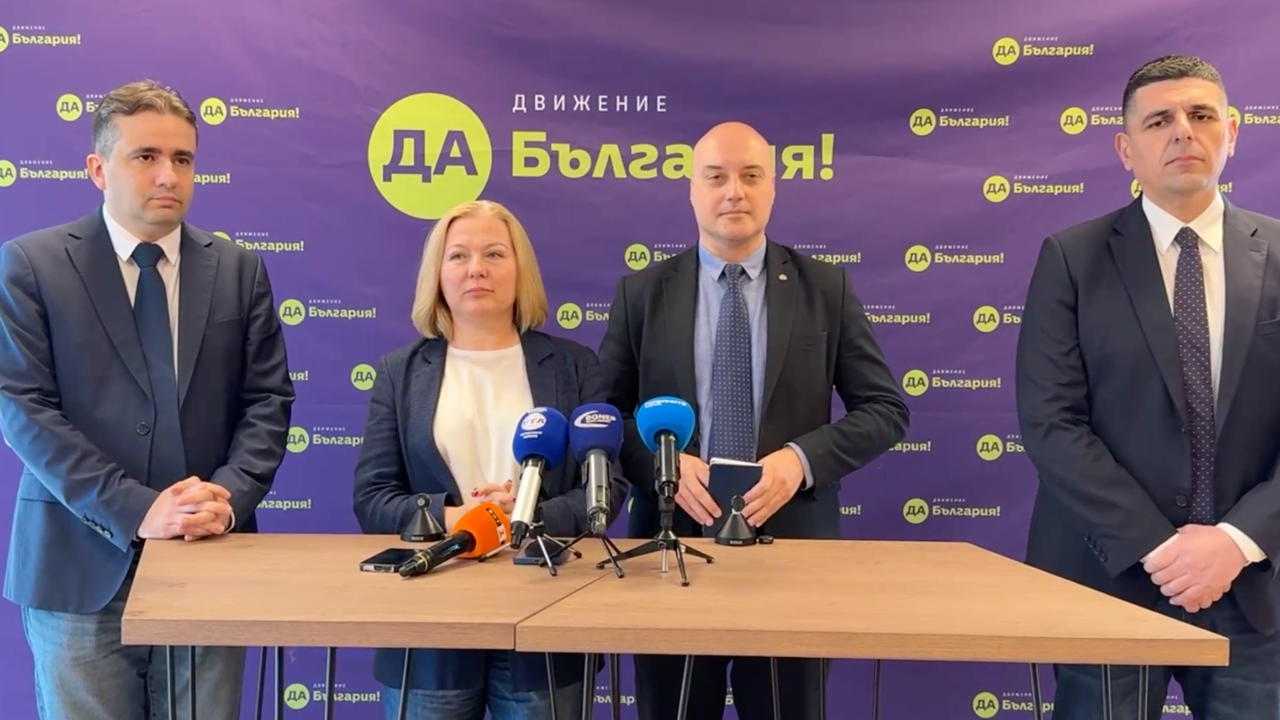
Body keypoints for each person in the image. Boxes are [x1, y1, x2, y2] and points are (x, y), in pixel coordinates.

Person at [0, 79, 295, 720]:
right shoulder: (31, 265)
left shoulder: (239, 270)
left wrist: (225, 500)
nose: (168, 175)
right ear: (97, 169)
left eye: (182, 159)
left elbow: (267, 401)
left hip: (208, 557)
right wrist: (138, 509)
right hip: (77, 567)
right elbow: (23, 407)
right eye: (146, 156)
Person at [594, 121, 909, 720]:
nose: (734, 191)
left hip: (792, 555)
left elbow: (885, 409)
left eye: (751, 175)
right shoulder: (643, 293)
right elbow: (605, 417)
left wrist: (801, 461)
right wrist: (662, 464)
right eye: (716, 177)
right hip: (674, 548)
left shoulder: (826, 288)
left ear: (773, 188)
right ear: (692, 190)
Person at [1016, 54, 1280, 720]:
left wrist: (1234, 542)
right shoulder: (1071, 258)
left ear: (1232, 133)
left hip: (1255, 583)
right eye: (1159, 121)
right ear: (1125, 149)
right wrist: (1164, 550)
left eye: (1201, 115)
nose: (1183, 131)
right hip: (1109, 577)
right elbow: (1051, 422)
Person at [351, 198, 628, 720]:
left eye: (494, 254)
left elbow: (606, 488)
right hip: (429, 628)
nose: (476, 268)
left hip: (545, 611)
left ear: (521, 270)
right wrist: (457, 518)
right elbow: (372, 498)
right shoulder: (399, 372)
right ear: (437, 274)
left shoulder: (573, 366)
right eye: (458, 255)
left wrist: (527, 515)